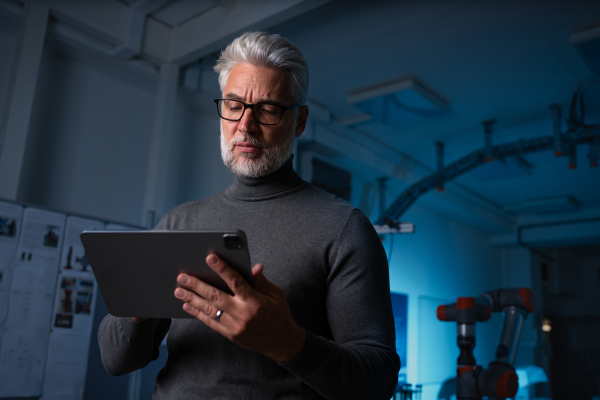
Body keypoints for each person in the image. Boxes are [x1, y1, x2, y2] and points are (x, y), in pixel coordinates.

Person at [98, 31, 400, 399]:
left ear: (300, 121)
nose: (245, 124)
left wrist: (289, 344)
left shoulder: (343, 228)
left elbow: (379, 381)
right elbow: (116, 361)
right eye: (234, 104)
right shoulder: (181, 222)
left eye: (269, 109)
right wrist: (138, 308)